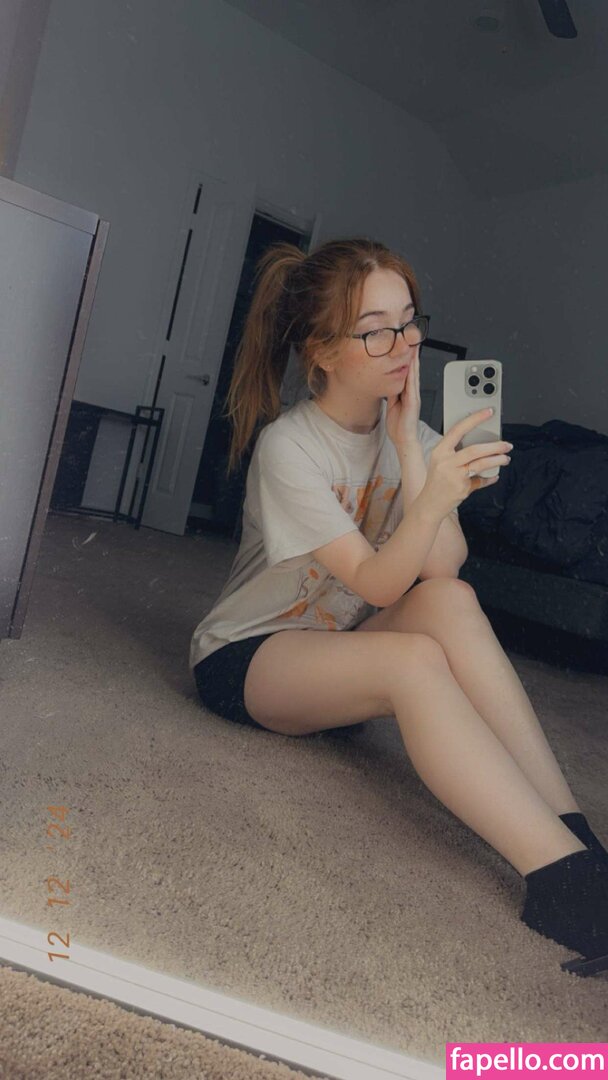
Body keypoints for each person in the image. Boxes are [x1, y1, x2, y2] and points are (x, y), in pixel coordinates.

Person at [190, 237, 608, 975]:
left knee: (451, 601)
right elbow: (380, 585)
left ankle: (578, 840)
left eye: (409, 321)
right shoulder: (291, 447)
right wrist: (435, 491)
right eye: (375, 330)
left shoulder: (409, 433)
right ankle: (561, 885)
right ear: (322, 351)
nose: (405, 343)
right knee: (414, 660)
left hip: (341, 655)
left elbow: (440, 570)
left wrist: (413, 453)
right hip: (251, 658)